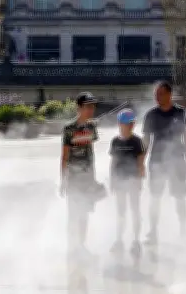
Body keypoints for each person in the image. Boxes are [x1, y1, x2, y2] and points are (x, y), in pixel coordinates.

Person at [142, 81, 186, 244]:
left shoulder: (181, 112)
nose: (157, 97)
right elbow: (146, 141)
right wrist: (140, 162)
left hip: (177, 159)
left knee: (180, 197)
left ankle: (183, 230)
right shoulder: (151, 115)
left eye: (161, 94)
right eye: (156, 94)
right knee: (155, 197)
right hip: (157, 160)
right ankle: (153, 231)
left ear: (170, 94)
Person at [60, 92, 103, 255]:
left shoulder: (92, 127)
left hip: (87, 177)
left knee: (84, 212)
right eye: (88, 106)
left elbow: (90, 152)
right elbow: (64, 156)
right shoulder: (69, 129)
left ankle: (82, 245)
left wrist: (93, 178)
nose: (91, 109)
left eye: (93, 106)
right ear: (79, 107)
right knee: (73, 213)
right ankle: (72, 246)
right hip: (73, 178)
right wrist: (63, 180)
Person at [109, 109, 146, 256]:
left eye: (131, 123)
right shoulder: (115, 141)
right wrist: (112, 180)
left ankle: (136, 241)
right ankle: (119, 240)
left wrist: (139, 180)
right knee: (120, 212)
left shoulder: (137, 141)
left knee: (135, 211)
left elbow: (141, 163)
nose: (130, 126)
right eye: (126, 123)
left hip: (132, 180)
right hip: (119, 180)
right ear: (119, 124)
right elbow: (113, 161)